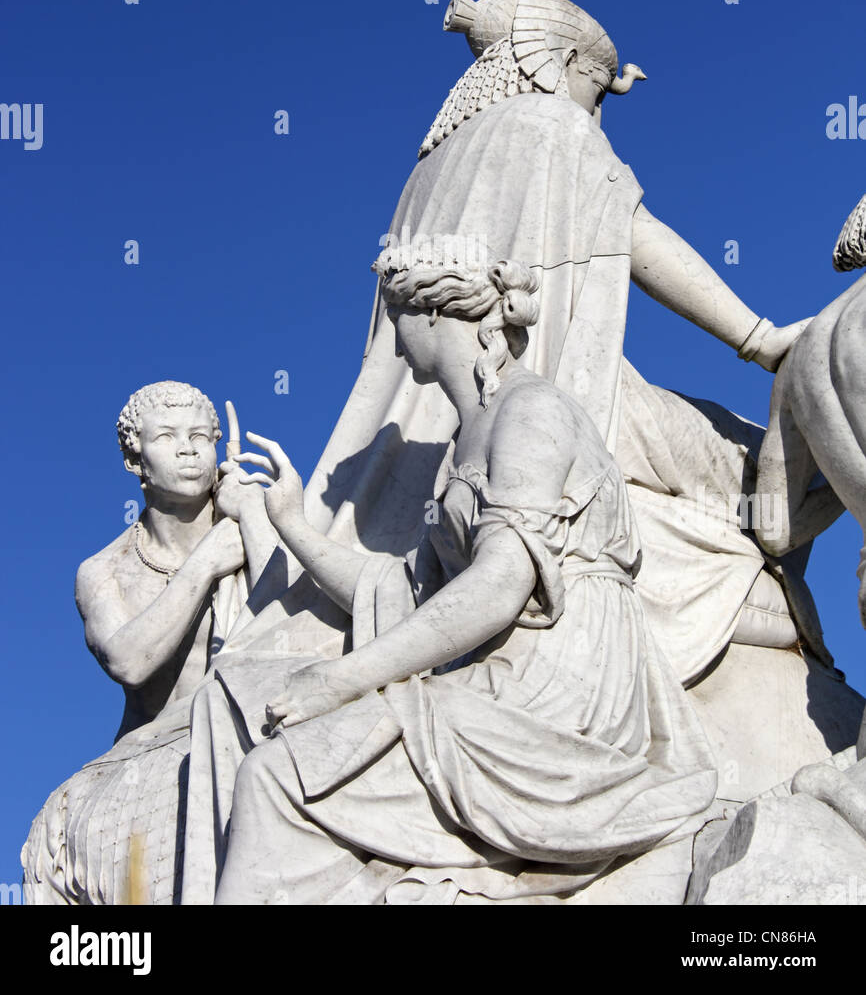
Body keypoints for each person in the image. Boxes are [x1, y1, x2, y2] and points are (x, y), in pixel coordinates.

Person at [213, 249, 717, 906]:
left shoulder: (531, 412)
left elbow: (502, 584)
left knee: (275, 777)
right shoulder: (468, 436)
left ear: (429, 316)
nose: (391, 337)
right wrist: (291, 525)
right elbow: (401, 591)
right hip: (502, 664)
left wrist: (340, 678)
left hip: (558, 682)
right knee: (242, 714)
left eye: (395, 317)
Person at [22, 382, 279, 905]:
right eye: (167, 436)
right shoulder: (104, 570)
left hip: (258, 721)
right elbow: (129, 660)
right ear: (134, 460)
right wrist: (207, 560)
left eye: (201, 436)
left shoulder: (254, 522)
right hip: (152, 745)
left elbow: (298, 619)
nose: (188, 448)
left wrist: (254, 518)